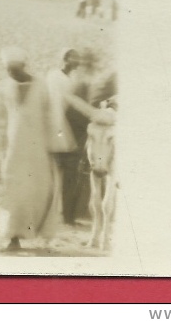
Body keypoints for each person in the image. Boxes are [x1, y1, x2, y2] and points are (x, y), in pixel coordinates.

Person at [0, 47, 59, 251]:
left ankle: (37, 234)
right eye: (8, 70)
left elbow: (51, 117)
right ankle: (13, 237)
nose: (11, 73)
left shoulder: (42, 86)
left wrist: (53, 146)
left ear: (23, 66)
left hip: (38, 147)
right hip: (13, 148)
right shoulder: (3, 87)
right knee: (13, 190)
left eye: (14, 69)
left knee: (37, 190)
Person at [46, 48, 112, 225]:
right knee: (58, 175)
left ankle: (68, 214)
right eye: (73, 58)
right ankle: (59, 215)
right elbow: (65, 102)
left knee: (71, 175)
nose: (78, 61)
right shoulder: (55, 77)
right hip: (60, 129)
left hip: (74, 130)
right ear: (65, 59)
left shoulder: (76, 79)